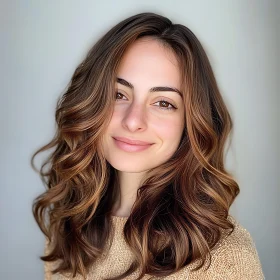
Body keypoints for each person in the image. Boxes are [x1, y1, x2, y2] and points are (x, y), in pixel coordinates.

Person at [31, 12, 264, 280]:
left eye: (163, 102)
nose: (133, 121)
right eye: (118, 94)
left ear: (190, 122)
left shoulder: (224, 259)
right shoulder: (68, 229)